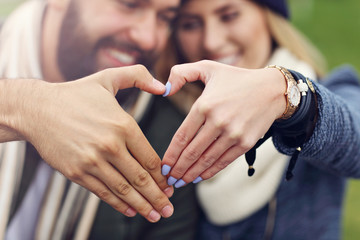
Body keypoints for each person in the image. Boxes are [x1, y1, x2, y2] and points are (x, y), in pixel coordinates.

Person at [157, 0, 360, 239]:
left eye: (229, 15)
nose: (211, 41)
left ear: (269, 16)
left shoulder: (331, 91)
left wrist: (290, 97)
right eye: (190, 24)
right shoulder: (166, 110)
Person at [0, 0, 200, 239]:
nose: (148, 38)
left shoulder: (170, 139)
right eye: (129, 5)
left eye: (165, 18)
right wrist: (28, 107)